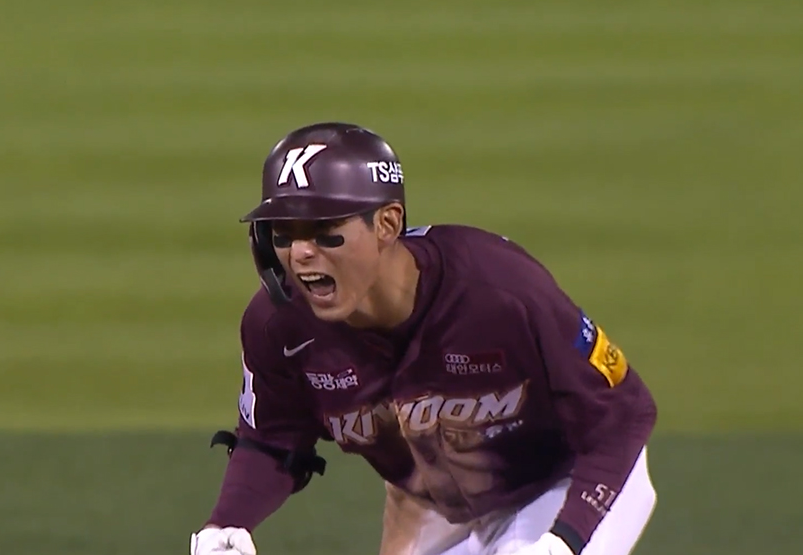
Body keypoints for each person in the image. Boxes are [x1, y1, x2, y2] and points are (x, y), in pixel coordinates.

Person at [189, 122, 658, 555]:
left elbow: (623, 415)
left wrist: (566, 539)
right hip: (440, 502)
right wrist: (225, 524)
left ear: (387, 225)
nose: (300, 253)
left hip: (573, 480)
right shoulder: (280, 328)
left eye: (324, 231)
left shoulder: (497, 290)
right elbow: (272, 441)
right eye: (284, 233)